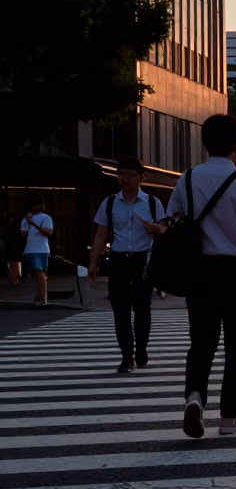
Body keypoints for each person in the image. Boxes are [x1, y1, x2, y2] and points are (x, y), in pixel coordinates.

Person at [168, 114, 236, 438]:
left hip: (199, 271)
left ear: (204, 144)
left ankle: (195, 397)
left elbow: (173, 221)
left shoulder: (186, 179)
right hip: (235, 271)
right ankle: (229, 417)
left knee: (201, 343)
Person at [87, 158, 167, 373]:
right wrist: (93, 263)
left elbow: (165, 228)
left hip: (143, 260)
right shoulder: (110, 202)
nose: (125, 179)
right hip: (118, 259)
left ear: (141, 177)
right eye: (121, 174)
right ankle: (126, 356)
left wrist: (156, 229)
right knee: (120, 310)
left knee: (142, 309)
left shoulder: (152, 202)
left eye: (130, 175)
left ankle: (140, 346)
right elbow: (101, 233)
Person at [20, 197, 54, 306]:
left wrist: (33, 223)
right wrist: (26, 222)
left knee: (40, 273)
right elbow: (23, 234)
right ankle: (39, 295)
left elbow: (48, 232)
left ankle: (43, 299)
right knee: (37, 273)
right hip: (30, 249)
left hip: (41, 249)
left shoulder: (46, 218)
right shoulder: (26, 219)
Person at [3, 212, 22, 284]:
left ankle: (13, 279)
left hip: (11, 246)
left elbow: (3, 236)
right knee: (17, 262)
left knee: (12, 264)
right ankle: (17, 277)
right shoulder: (20, 226)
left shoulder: (9, 226)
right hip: (19, 246)